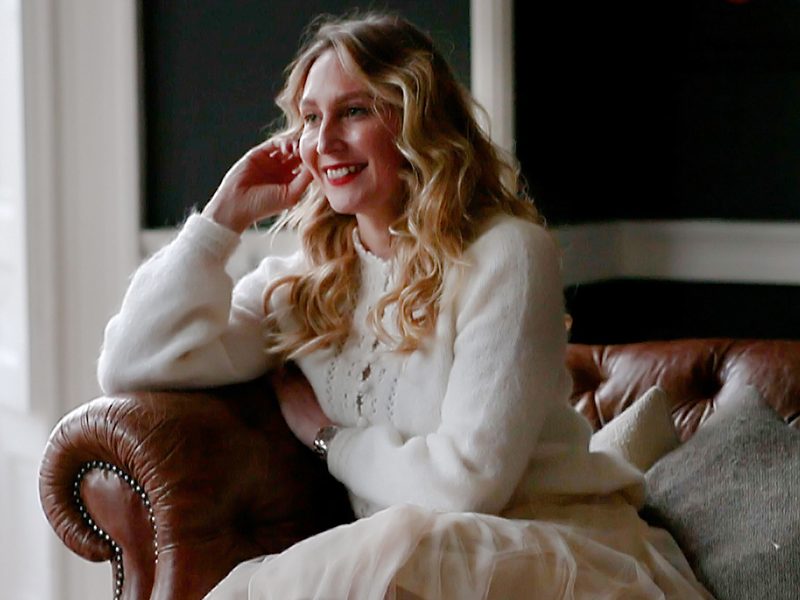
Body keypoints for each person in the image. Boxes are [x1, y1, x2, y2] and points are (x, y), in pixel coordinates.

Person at [98, 12, 712, 600]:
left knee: (366, 562)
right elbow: (131, 363)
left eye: (354, 111)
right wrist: (220, 219)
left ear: (417, 119)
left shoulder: (507, 253)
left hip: (552, 551)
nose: (324, 140)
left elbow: (467, 487)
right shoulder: (305, 280)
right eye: (310, 118)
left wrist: (330, 440)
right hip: (409, 570)